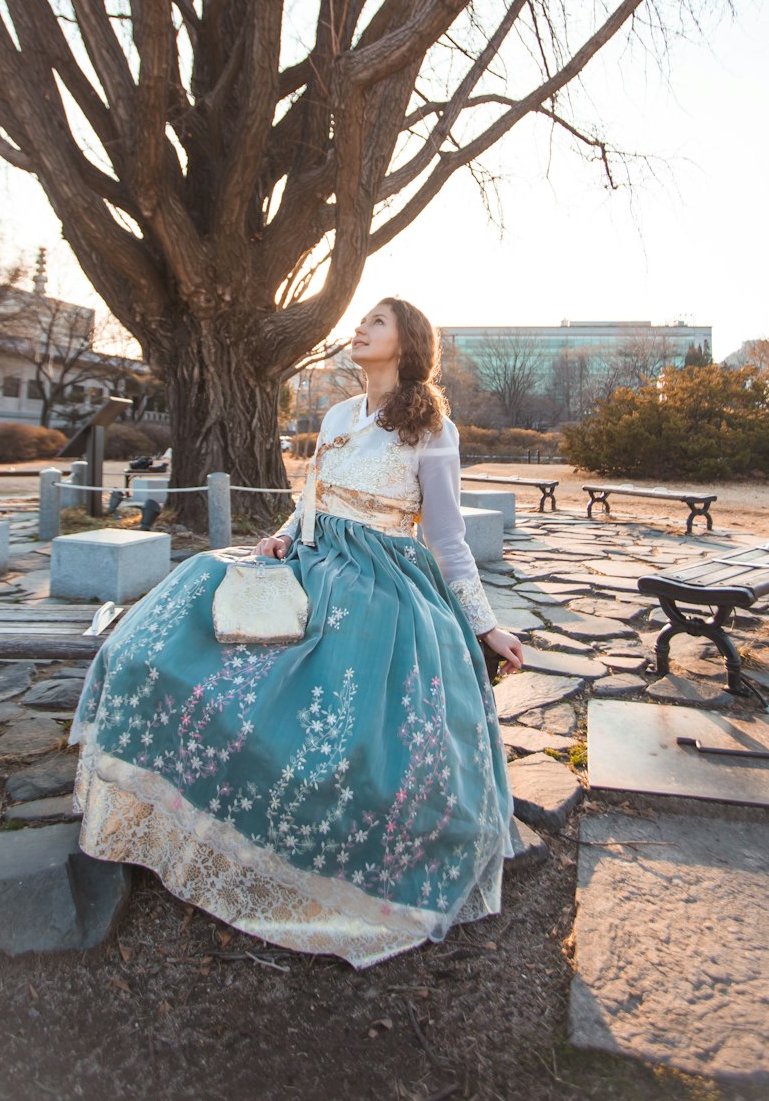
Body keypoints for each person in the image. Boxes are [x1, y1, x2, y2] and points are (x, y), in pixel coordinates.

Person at [70, 298, 523, 969]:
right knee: (196, 588)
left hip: (382, 581)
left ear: (407, 343)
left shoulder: (433, 429)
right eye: (363, 320)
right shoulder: (338, 415)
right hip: (310, 557)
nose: (360, 328)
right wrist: (282, 536)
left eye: (376, 322)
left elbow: (450, 540)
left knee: (345, 731)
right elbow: (310, 497)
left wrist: (485, 625)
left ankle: (327, 863)